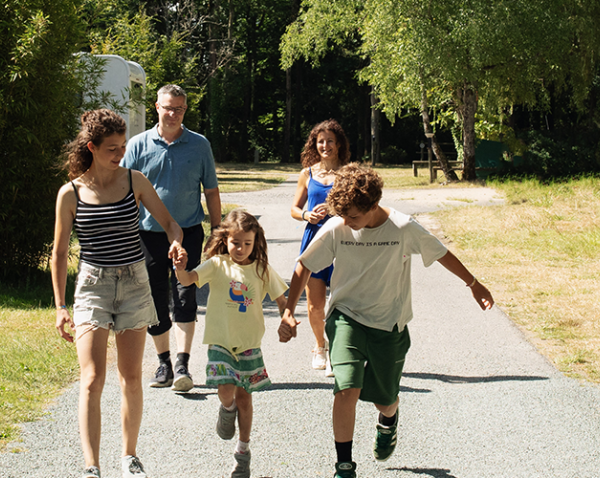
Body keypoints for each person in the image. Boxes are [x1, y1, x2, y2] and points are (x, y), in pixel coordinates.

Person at [279, 164, 496, 478]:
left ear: (373, 205)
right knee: (346, 388)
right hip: (346, 317)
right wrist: (289, 309)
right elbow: (305, 265)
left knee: (385, 401)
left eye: (353, 216)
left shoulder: (402, 227)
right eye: (343, 215)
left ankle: (388, 420)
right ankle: (344, 466)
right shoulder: (338, 226)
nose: (347, 222)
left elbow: (441, 253)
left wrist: (473, 284)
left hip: (389, 323)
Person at [50, 109, 187, 478]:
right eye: (111, 148)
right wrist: (60, 306)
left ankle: (129, 457)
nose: (120, 154)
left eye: (123, 146)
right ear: (91, 148)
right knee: (92, 378)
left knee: (131, 376)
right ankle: (91, 466)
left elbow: (170, 224)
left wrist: (176, 243)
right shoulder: (70, 193)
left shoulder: (134, 180)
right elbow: (59, 254)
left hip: (133, 284)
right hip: (92, 286)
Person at [172, 210, 293, 478]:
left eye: (247, 243)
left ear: (255, 241)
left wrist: (287, 319)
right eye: (235, 243)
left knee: (245, 399)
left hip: (249, 344)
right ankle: (227, 408)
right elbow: (188, 279)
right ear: (225, 240)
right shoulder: (217, 264)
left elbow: (282, 300)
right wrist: (180, 268)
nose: (241, 248)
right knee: (227, 390)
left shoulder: (262, 269)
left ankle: (243, 453)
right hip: (221, 341)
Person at [122, 84, 222, 393]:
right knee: (154, 299)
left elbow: (211, 191)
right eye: (168, 107)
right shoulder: (138, 145)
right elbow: (124, 192)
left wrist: (217, 231)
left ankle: (182, 364)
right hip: (147, 235)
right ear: (157, 107)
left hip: (189, 231)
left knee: (185, 296)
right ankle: (163, 362)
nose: (173, 114)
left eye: (179, 108)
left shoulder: (199, 145)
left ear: (185, 110)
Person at [289, 119, 351, 377]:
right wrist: (306, 215)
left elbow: (359, 207)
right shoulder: (307, 174)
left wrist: (335, 209)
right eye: (320, 141)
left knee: (342, 302)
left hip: (343, 240)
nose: (325, 146)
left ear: (339, 144)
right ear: (314, 145)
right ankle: (319, 346)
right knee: (315, 305)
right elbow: (294, 209)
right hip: (314, 240)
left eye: (330, 141)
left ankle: (339, 350)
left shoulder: (348, 174)